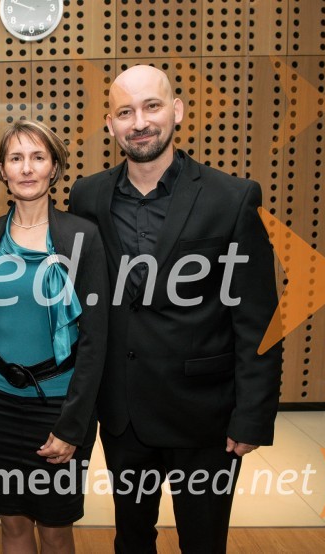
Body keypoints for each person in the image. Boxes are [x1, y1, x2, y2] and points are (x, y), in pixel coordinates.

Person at [69, 64, 283, 553]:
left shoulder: (232, 197)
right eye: (125, 111)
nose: (139, 121)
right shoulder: (88, 196)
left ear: (177, 111)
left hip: (205, 416)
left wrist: (252, 418)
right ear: (110, 124)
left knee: (204, 543)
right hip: (123, 415)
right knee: (132, 539)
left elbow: (258, 319)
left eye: (151, 106)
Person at [0, 120, 108, 553]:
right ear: (2, 171)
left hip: (59, 408)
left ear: (54, 168)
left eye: (37, 157)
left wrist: (74, 425)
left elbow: (95, 340)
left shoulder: (82, 236)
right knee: (11, 525)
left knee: (54, 528)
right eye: (16, 158)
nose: (27, 168)